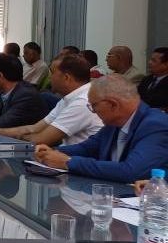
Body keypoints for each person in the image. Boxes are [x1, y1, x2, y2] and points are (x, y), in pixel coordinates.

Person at [34, 75, 168, 183]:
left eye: (94, 106)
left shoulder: (155, 125)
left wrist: (68, 162)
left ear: (113, 105)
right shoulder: (114, 123)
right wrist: (51, 152)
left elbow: (130, 171)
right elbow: (86, 148)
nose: (92, 111)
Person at [0, 54, 103, 146]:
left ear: (66, 78)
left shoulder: (82, 102)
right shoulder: (68, 99)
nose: (50, 78)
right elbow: (33, 128)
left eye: (53, 73)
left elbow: (40, 139)